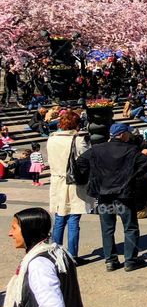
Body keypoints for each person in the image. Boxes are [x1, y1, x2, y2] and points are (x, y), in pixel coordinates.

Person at [73, 123, 147, 273]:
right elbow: (144, 168)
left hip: (104, 196)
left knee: (107, 229)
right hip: (124, 196)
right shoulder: (131, 150)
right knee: (130, 227)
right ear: (123, 134)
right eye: (128, 133)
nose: (130, 135)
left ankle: (110, 261)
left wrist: (94, 176)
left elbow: (81, 162)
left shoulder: (98, 149)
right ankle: (130, 260)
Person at [46, 110, 91, 261]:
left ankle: (55, 252)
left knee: (59, 217)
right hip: (73, 181)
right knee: (73, 219)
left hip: (57, 180)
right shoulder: (77, 139)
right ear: (76, 124)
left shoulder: (51, 139)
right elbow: (86, 159)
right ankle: (72, 255)